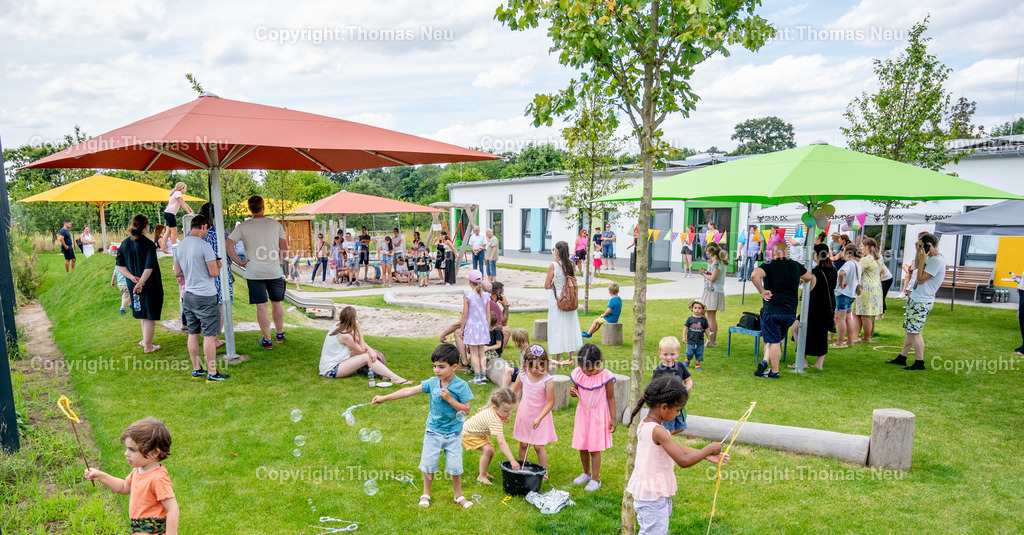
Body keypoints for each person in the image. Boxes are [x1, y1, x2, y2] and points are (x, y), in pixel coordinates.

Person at [371, 344, 475, 509]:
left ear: (454, 367)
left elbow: (466, 409)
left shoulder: (461, 386)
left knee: (456, 467)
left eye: (441, 367)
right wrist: (385, 397)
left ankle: (458, 495)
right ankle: (426, 494)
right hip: (433, 432)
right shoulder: (433, 383)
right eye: (434, 366)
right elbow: (409, 391)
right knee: (429, 464)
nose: (436, 370)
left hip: (453, 434)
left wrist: (450, 400)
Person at [626, 376, 728, 535]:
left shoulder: (646, 423)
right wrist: (708, 449)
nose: (678, 414)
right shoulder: (658, 431)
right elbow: (683, 461)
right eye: (678, 410)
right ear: (664, 407)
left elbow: (674, 447)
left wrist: (706, 457)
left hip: (649, 495)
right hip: (653, 500)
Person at [84, 418, 178, 535]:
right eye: (127, 448)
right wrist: (101, 476)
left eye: (132, 450)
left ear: (154, 453)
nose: (126, 454)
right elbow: (124, 487)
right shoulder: (138, 470)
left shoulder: (158, 478)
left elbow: (172, 509)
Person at [173, 215, 230, 382]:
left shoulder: (180, 246)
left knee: (193, 333)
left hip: (188, 295)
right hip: (205, 295)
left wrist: (193, 271)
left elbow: (177, 272)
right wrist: (218, 264)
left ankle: (196, 369)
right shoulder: (205, 246)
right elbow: (214, 272)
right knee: (210, 336)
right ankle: (212, 373)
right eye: (207, 229)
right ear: (204, 226)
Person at [226, 195, 288, 350]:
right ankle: (279, 335)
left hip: (254, 272)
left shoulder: (243, 227)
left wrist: (238, 262)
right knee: (277, 302)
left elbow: (228, 244)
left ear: (249, 208)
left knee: (261, 306)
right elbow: (284, 248)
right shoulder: (275, 224)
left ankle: (267, 340)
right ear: (263, 207)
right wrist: (280, 262)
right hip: (273, 269)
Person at [751, 240, 814, 379]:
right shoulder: (796, 266)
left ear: (774, 252)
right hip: (790, 312)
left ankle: (774, 371)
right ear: (787, 252)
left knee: (772, 341)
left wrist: (762, 290)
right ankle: (767, 363)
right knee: (777, 340)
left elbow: (754, 275)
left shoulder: (769, 265)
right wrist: (802, 285)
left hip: (772, 310)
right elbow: (810, 277)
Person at [887, 233, 946, 371]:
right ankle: (902, 357)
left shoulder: (937, 261)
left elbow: (920, 279)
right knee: (910, 330)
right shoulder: (930, 258)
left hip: (922, 300)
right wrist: (920, 257)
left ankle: (920, 362)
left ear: (928, 245)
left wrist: (922, 260)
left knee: (916, 332)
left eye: (920, 246)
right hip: (916, 298)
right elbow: (916, 270)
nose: (918, 248)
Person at [318, 306, 410, 383]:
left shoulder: (338, 325)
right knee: (366, 356)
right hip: (331, 370)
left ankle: (383, 375)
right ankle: (395, 378)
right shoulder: (345, 335)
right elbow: (361, 350)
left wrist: (370, 350)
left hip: (333, 363)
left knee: (368, 352)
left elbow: (358, 341)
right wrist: (359, 330)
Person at [570, 344, 616, 492]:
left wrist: (613, 419)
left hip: (598, 415)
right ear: (579, 365)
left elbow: (611, 398)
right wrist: (573, 392)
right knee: (582, 446)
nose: (588, 373)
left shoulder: (606, 376)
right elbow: (576, 390)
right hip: (582, 414)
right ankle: (586, 473)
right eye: (585, 369)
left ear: (599, 363)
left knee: (594, 448)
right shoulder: (578, 373)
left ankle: (595, 479)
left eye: (591, 369)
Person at [117, 214, 164, 354]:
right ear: (146, 226)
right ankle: (148, 347)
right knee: (150, 314)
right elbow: (149, 267)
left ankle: (145, 341)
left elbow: (120, 266)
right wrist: (141, 282)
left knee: (143, 313)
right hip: (149, 284)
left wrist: (132, 278)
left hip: (133, 284)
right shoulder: (149, 244)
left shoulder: (125, 243)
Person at [511, 344, 558, 476]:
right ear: (526, 364)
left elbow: (551, 402)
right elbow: (513, 393)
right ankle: (521, 468)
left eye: (541, 366)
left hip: (541, 417)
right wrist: (507, 410)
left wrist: (539, 418)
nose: (539, 370)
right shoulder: (523, 376)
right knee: (523, 444)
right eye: (534, 367)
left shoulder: (547, 380)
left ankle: (544, 472)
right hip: (525, 415)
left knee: (538, 446)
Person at [462, 387, 520, 485]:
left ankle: (484, 472)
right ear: (495, 407)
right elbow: (502, 443)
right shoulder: (494, 420)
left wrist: (504, 415)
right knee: (488, 450)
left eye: (511, 410)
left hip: (479, 433)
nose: (509, 413)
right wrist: (512, 460)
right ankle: (482, 476)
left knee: (491, 450)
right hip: (469, 433)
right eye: (506, 411)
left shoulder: (494, 407)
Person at [799, 244, 837, 370]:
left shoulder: (815, 272)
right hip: (829, 304)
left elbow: (809, 290)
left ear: (816, 254)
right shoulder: (833, 269)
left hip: (815, 306)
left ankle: (802, 360)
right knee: (822, 334)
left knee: (799, 330)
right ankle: (818, 364)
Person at [546, 241, 583, 364]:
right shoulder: (572, 264)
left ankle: (559, 358)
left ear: (557, 251)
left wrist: (553, 285)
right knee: (570, 326)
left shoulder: (553, 265)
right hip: (570, 298)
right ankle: (571, 357)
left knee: (557, 328)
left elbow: (546, 285)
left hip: (558, 299)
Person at [652, 336, 693, 434]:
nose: (669, 357)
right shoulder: (658, 371)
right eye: (665, 354)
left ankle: (666, 436)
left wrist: (687, 388)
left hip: (679, 404)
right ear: (659, 354)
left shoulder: (680, 366)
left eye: (672, 354)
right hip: (667, 406)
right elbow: (653, 388)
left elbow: (688, 380)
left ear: (678, 353)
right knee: (668, 429)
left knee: (682, 426)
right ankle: (664, 440)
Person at [461, 270, 491, 384]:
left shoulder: (468, 296)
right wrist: (487, 327)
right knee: (481, 352)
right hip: (483, 326)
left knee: (473, 353)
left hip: (472, 326)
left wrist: (461, 328)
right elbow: (488, 314)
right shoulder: (486, 296)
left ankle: (477, 376)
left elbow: (464, 314)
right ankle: (483, 375)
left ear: (469, 282)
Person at [851, 237, 883, 343]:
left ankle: (865, 337)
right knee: (862, 313)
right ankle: (857, 337)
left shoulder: (866, 260)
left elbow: (856, 272)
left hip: (866, 288)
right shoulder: (879, 258)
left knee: (862, 314)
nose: (861, 248)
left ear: (867, 247)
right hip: (875, 287)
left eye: (862, 246)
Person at [700, 242, 727, 347]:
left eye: (708, 252)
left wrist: (703, 274)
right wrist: (707, 272)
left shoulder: (717, 263)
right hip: (712, 290)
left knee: (710, 317)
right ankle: (711, 337)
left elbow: (713, 278)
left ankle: (712, 339)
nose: (707, 254)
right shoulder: (718, 262)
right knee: (709, 316)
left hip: (713, 291)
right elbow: (713, 275)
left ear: (712, 252)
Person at [832, 245, 860, 348]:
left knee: (841, 319)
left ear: (848, 253)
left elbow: (841, 273)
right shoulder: (857, 264)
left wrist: (841, 283)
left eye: (843, 252)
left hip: (843, 294)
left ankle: (839, 342)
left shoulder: (848, 264)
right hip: (852, 294)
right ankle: (850, 340)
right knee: (848, 317)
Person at [162, 182, 194, 254]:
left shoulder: (176, 193)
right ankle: (175, 249)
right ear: (181, 188)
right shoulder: (178, 193)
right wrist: (189, 213)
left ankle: (163, 248)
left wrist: (191, 210)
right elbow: (182, 204)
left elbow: (184, 203)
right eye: (185, 188)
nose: (186, 190)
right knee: (174, 231)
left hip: (167, 213)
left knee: (168, 231)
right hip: (170, 214)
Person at [682, 301, 709, 370]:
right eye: (695, 308)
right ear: (692, 308)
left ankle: (697, 365)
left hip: (700, 341)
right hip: (691, 340)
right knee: (689, 352)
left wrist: (709, 339)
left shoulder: (704, 320)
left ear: (703, 310)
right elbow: (685, 327)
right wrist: (684, 337)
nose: (697, 309)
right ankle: (687, 359)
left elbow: (706, 329)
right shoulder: (690, 319)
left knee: (699, 353)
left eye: (699, 308)